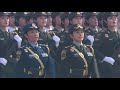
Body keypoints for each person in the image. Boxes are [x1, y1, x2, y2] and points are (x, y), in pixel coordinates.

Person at [93, 12, 120, 78]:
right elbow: (94, 49)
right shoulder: (101, 35)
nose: (114, 20)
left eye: (115, 18)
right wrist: (104, 58)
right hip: (107, 67)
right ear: (105, 21)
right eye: (111, 18)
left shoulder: (118, 34)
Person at [0, 12, 19, 78]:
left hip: (12, 65)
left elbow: (17, 51)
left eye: (7, 18)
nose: (6, 20)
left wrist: (20, 42)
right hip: (1, 66)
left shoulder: (13, 35)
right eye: (3, 18)